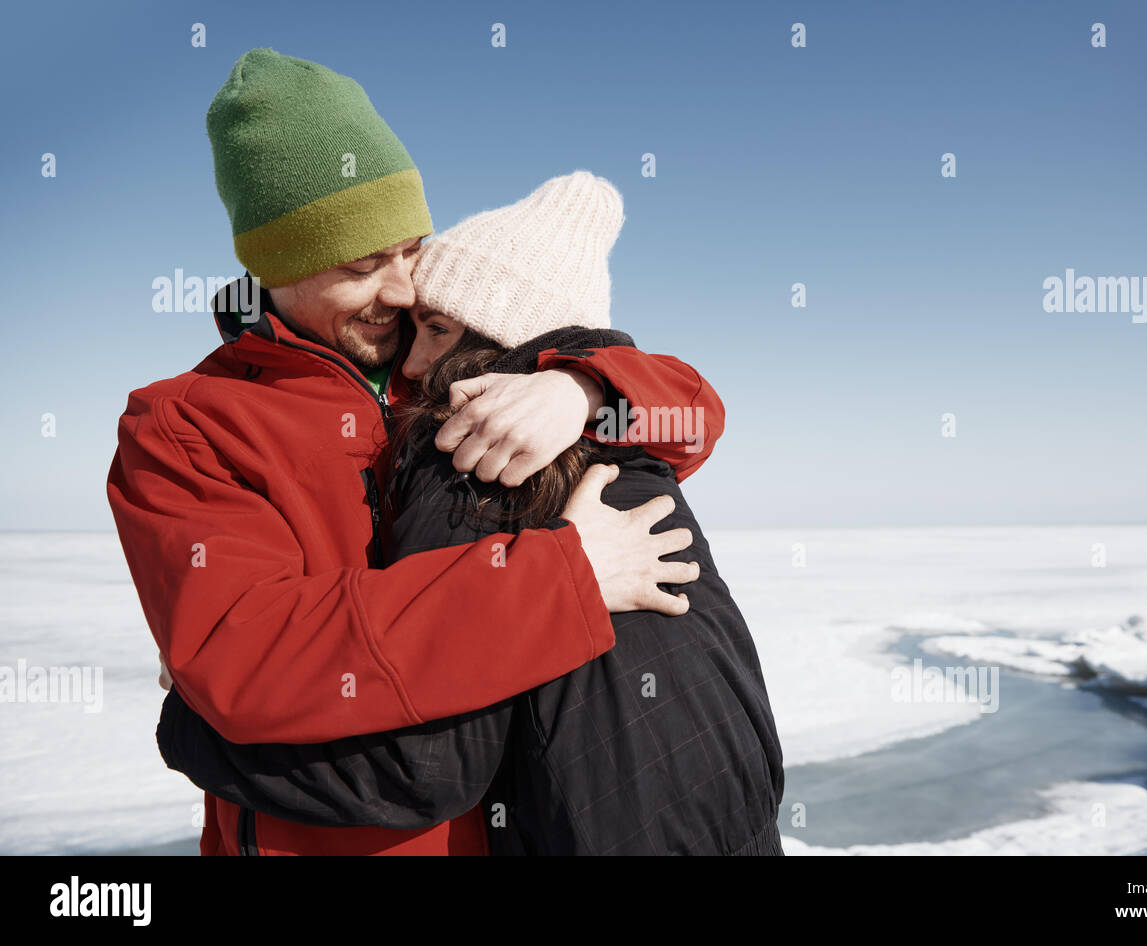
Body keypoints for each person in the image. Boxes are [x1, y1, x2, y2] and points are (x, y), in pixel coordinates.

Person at [108, 49, 723, 856]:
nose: (401, 291)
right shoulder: (186, 423)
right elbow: (252, 662)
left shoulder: (437, 369)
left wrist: (584, 391)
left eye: (409, 250)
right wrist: (567, 578)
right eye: (362, 265)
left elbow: (694, 416)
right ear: (275, 268)